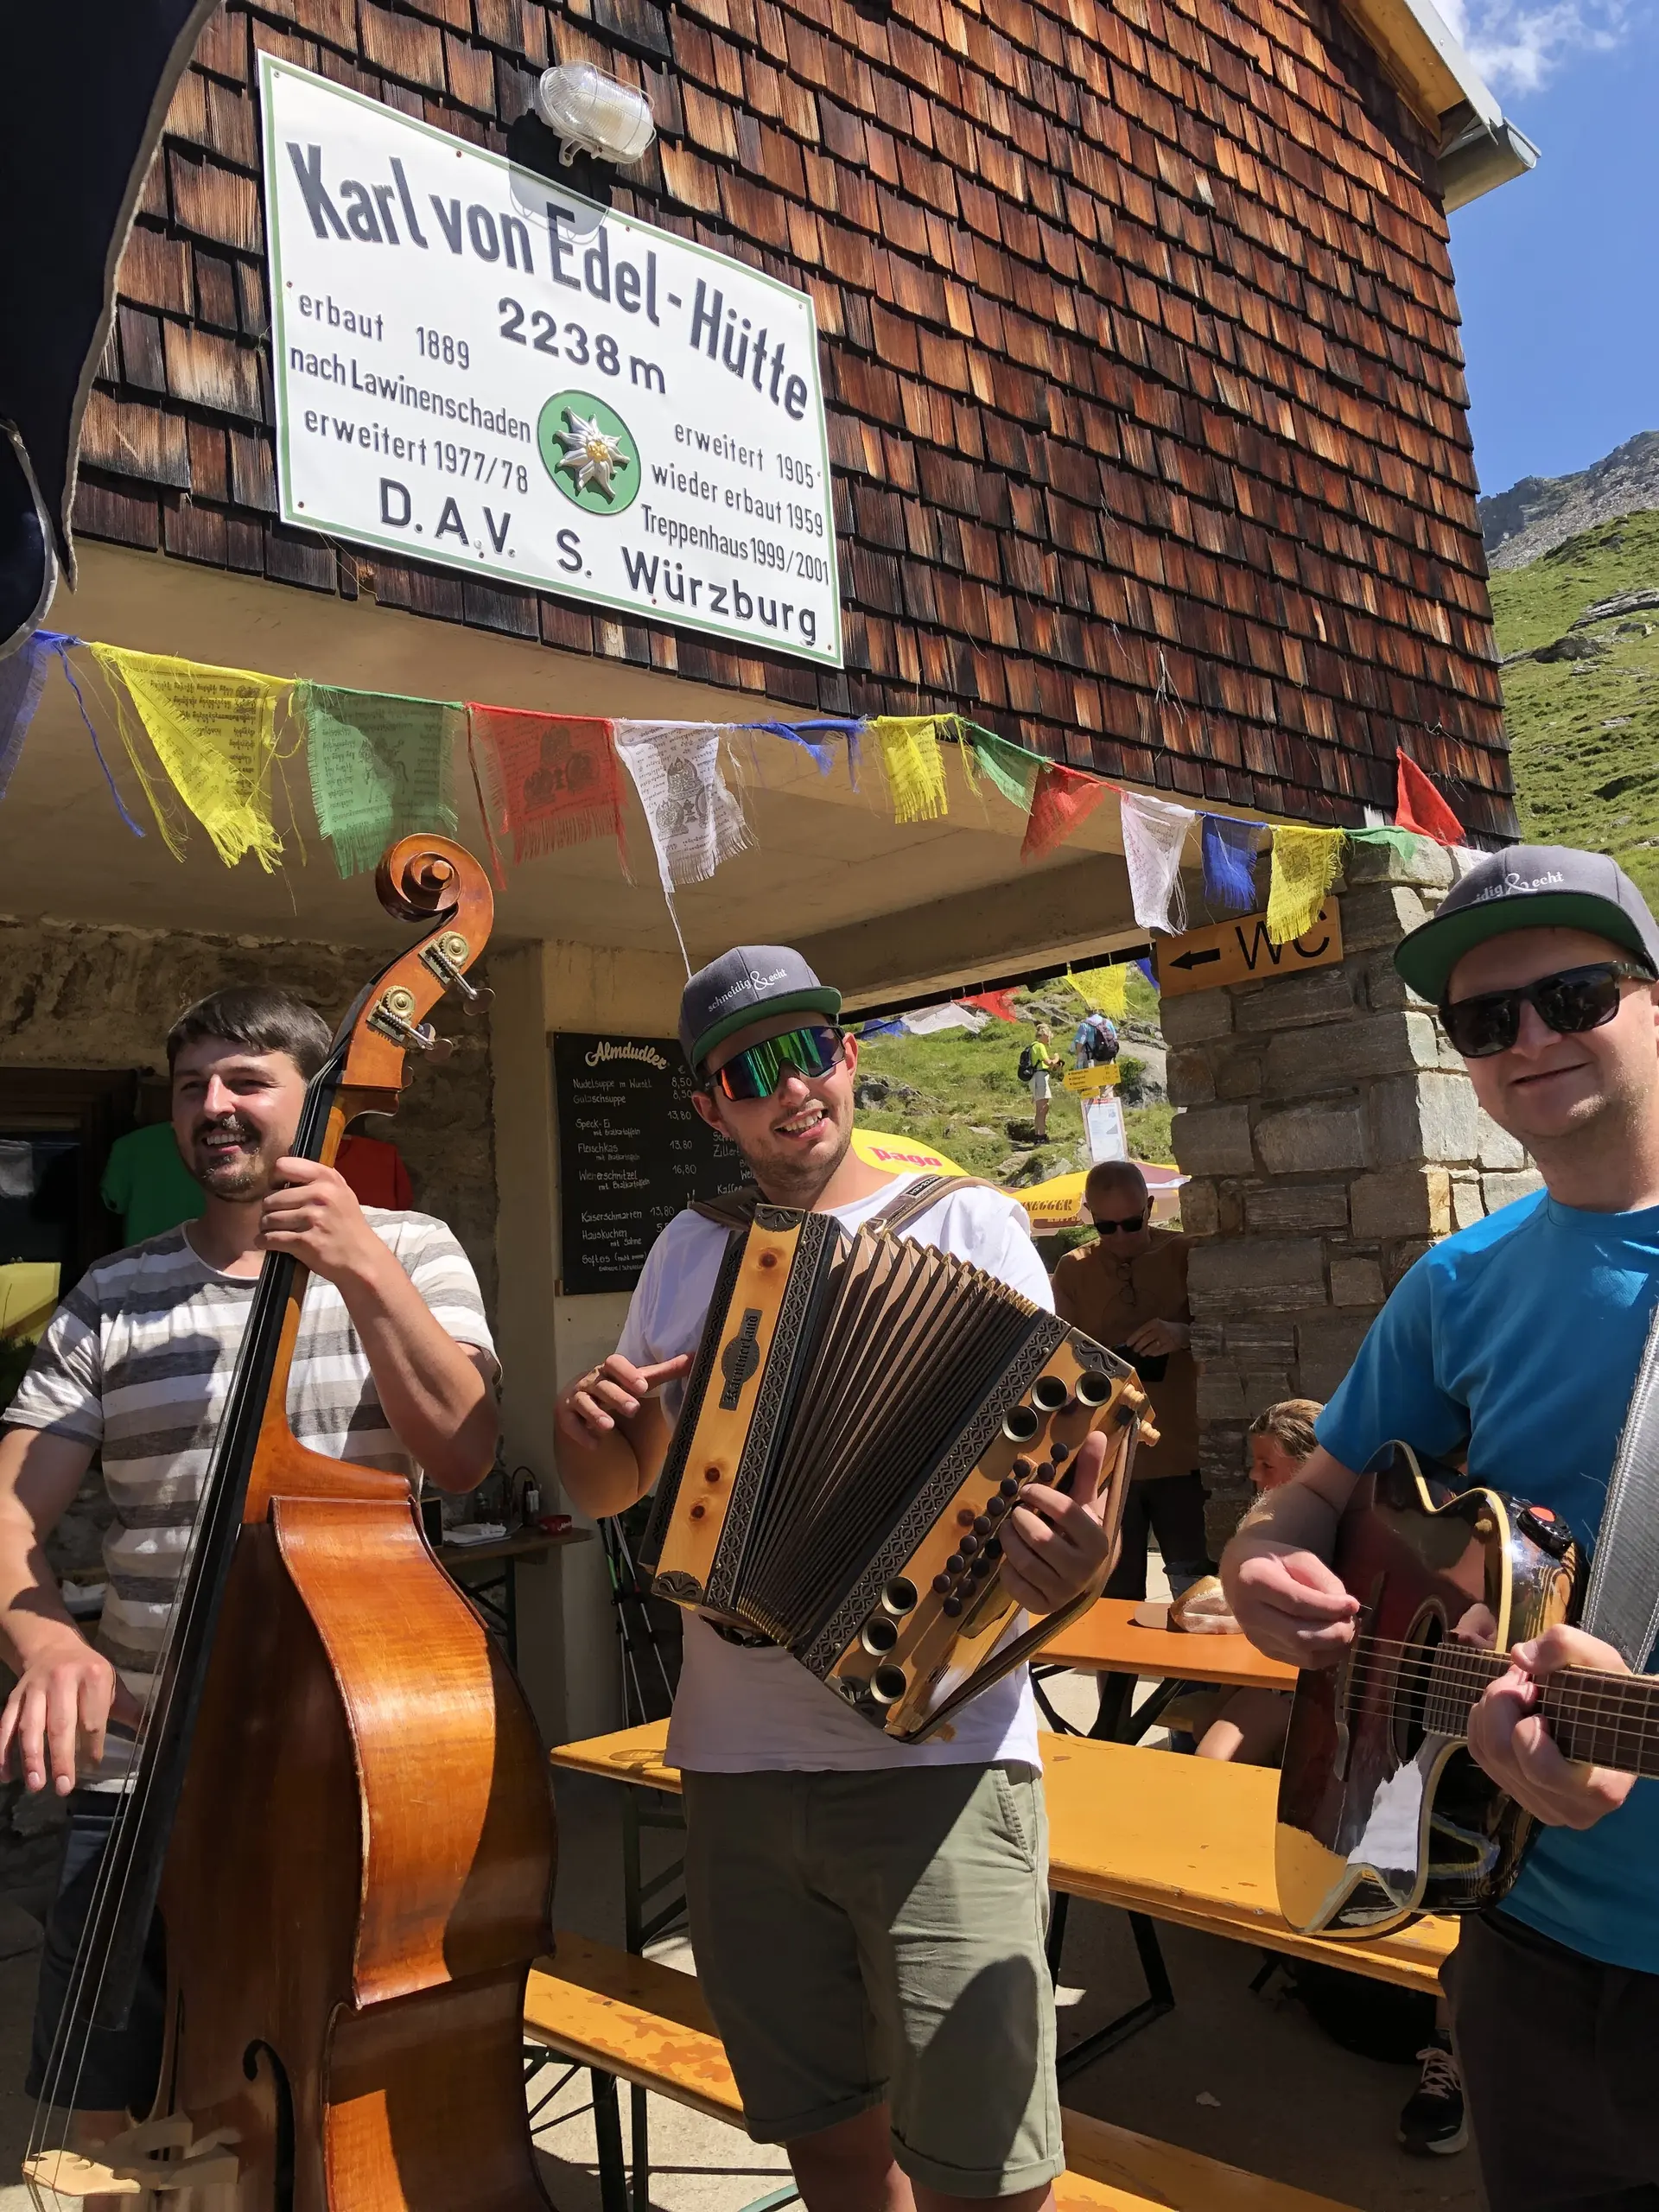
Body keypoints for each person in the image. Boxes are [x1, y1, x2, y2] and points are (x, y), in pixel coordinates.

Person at [554, 947, 1117, 2212]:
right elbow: (615, 1491)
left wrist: (1085, 1558)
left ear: (848, 1056)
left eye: (807, 1050)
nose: (788, 1088)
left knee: (985, 2164)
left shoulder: (966, 1223)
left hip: (941, 1760)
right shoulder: (686, 1253)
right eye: (746, 1074)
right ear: (710, 1110)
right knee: (829, 2144)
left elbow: (1065, 1462)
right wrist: (588, 1433)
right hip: (737, 1761)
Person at [1222, 844, 1659, 2196]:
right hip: (1523, 1954)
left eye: (1575, 995)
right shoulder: (1453, 1286)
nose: (1529, 1039)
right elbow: (1308, 1495)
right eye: (1484, 1021)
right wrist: (1258, 1564)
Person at [0, 986, 499, 2158]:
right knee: (97, 2121)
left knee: (354, 2097)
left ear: (316, 1102)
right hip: (139, 1764)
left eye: (245, 1082)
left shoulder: (416, 1251)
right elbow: (11, 1508)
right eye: (191, 1089)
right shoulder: (112, 1298)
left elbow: (465, 1453)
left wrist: (361, 1263)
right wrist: (42, 1638)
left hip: (353, 1774)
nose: (213, 1109)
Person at [1051, 1160, 1208, 1599]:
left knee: (1195, 1591)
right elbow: (1059, 1361)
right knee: (1112, 1596)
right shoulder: (1073, 1269)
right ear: (1090, 1216)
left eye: (1132, 1223)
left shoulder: (1186, 1254)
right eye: (1107, 1226)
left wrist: (1183, 1335)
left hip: (1182, 1457)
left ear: (1151, 1207)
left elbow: (1234, 1332)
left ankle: (1191, 1673)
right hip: (1108, 1464)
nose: (1120, 1236)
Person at [1183, 1402, 1320, 1764]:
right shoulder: (1270, 1518)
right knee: (1201, 1725)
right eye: (1255, 1462)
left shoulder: (1322, 1529)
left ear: (1308, 1465)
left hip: (1299, 1682)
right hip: (1261, 1666)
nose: (1254, 1475)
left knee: (1212, 1759)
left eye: (1267, 1465)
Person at [1028, 1024, 1057, 1138]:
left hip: (1036, 1077)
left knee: (1040, 1107)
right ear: (1044, 1034)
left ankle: (1038, 1134)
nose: (1049, 1038)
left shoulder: (1033, 1046)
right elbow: (1048, 1062)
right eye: (1049, 1036)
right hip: (1040, 1078)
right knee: (1043, 1108)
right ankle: (1041, 1135)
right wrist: (1056, 1058)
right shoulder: (1040, 1046)